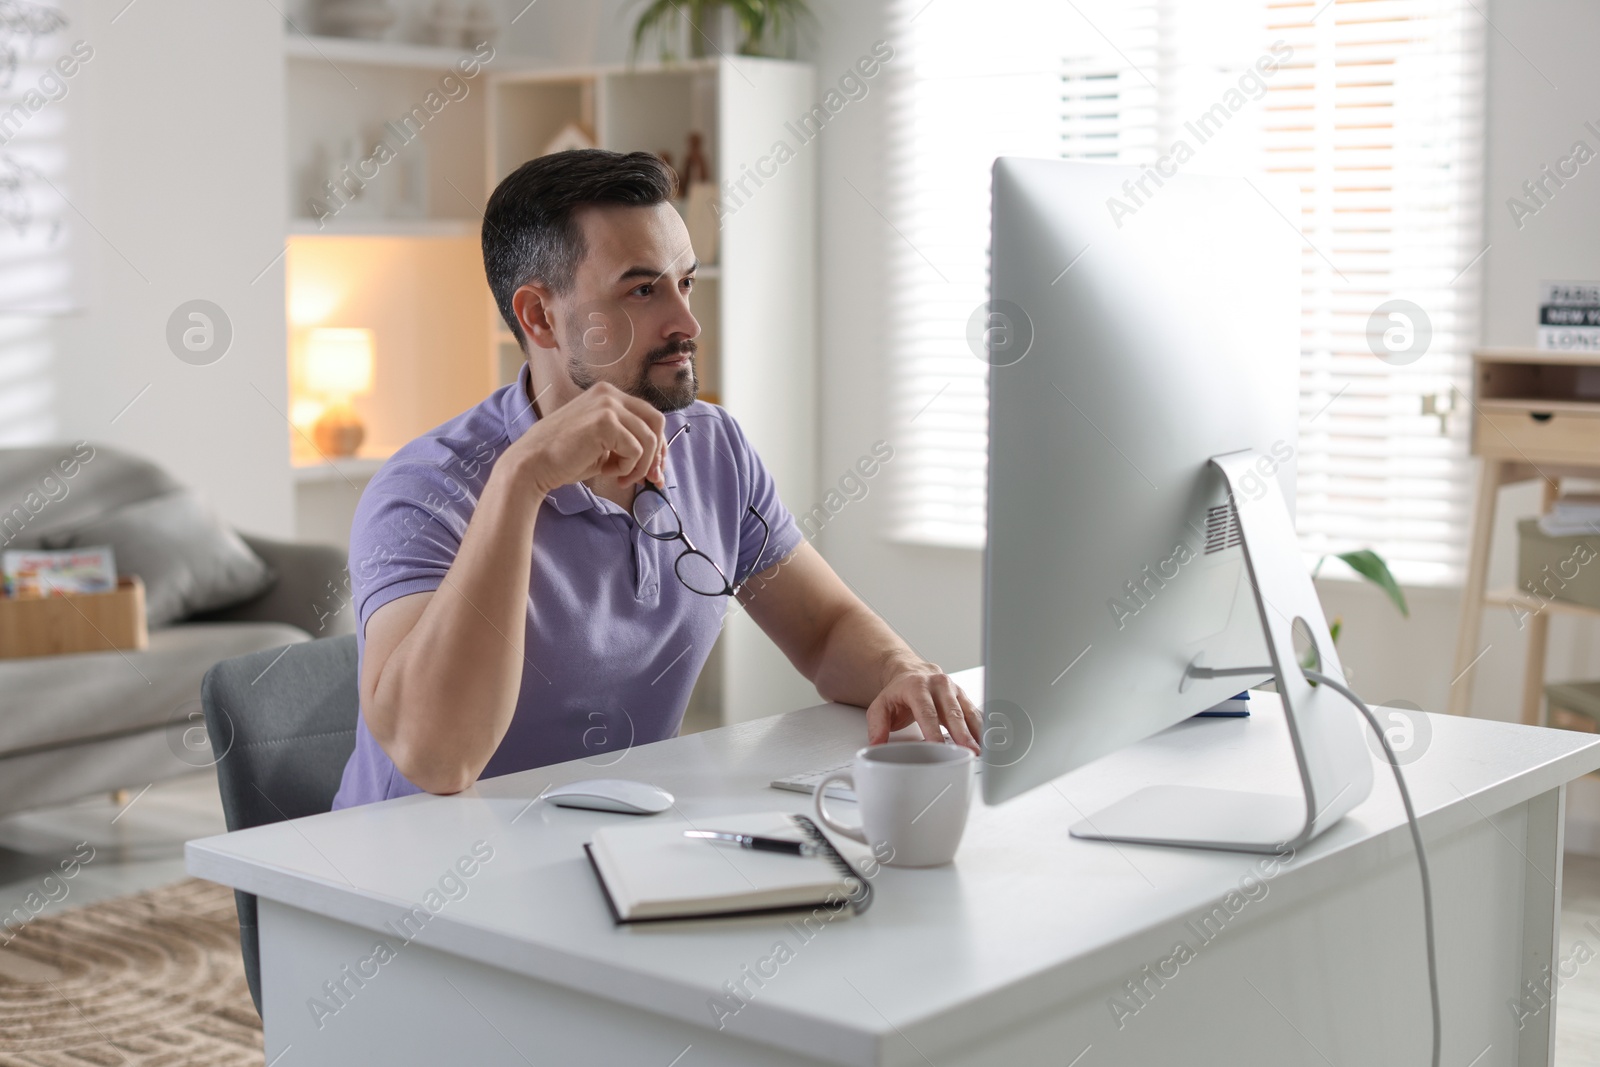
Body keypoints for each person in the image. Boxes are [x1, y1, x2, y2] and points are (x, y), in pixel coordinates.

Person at [331, 148, 979, 809]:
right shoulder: (424, 489)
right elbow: (437, 757)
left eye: (686, 283)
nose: (688, 325)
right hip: (404, 882)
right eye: (643, 290)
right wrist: (522, 479)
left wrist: (902, 669)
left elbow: (824, 628)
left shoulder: (712, 446)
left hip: (614, 851)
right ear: (539, 316)